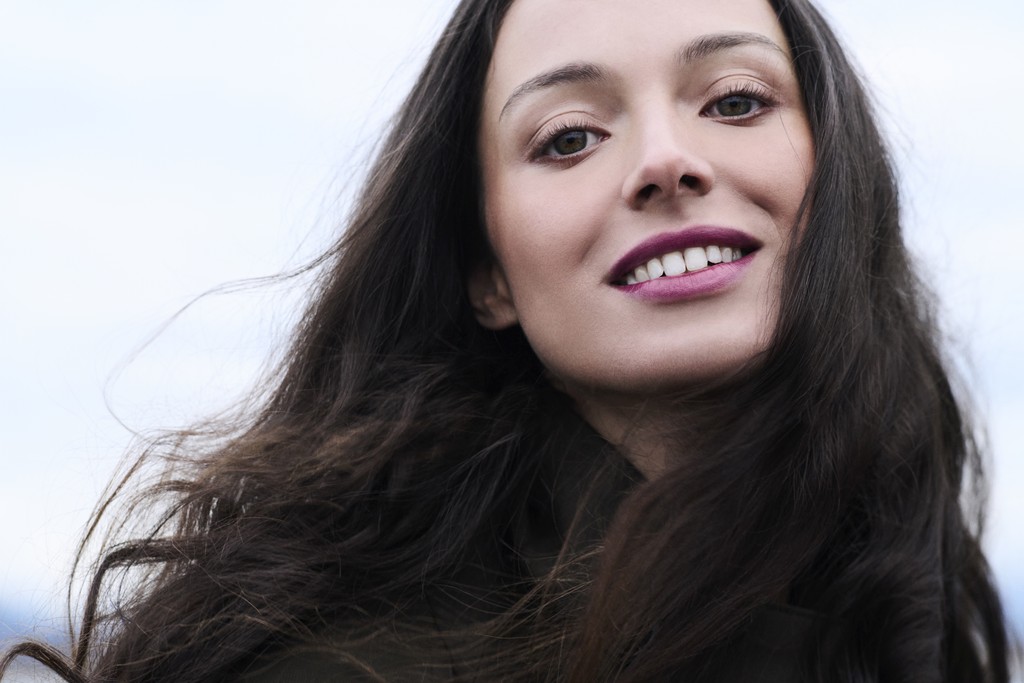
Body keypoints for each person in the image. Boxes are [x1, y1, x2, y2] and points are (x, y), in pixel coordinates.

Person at [2, 0, 1017, 680]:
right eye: (569, 136)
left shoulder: (908, 603)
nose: (666, 159)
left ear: (836, 183)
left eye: (735, 101)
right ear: (485, 271)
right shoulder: (335, 659)